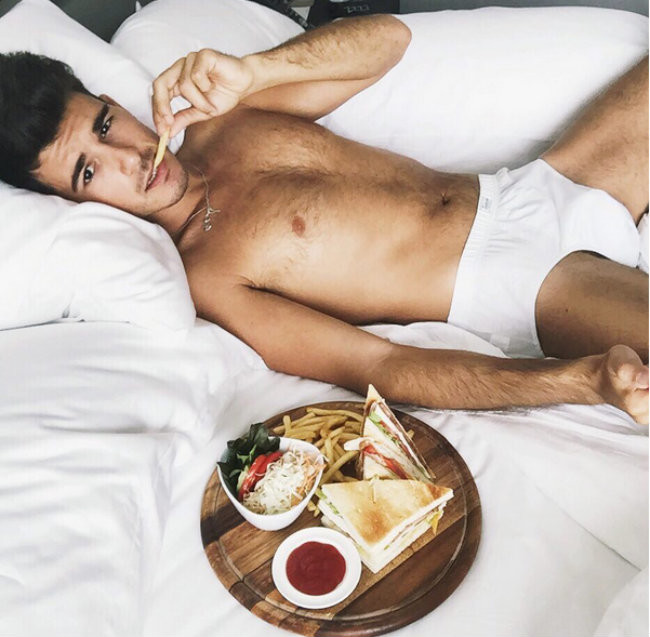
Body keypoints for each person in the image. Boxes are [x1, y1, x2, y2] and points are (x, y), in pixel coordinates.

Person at [0, 16, 647, 422]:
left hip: (538, 184)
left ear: (112, 102)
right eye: (89, 172)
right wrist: (580, 380)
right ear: (73, 203)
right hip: (528, 285)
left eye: (104, 125)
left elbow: (389, 43)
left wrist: (254, 71)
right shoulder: (209, 276)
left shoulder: (228, 119)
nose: (128, 158)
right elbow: (381, 365)